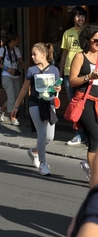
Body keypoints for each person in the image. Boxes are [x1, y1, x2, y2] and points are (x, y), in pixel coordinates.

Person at [11, 43, 61, 176]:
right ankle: (43, 163)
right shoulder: (31, 70)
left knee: (50, 137)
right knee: (42, 133)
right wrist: (16, 106)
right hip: (35, 103)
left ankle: (34, 151)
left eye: (35, 54)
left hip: (49, 104)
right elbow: (24, 89)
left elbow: (57, 87)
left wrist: (58, 89)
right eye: (32, 54)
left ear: (44, 55)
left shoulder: (54, 70)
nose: (32, 56)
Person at [69, 23, 98, 183]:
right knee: (94, 138)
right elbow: (72, 80)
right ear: (87, 40)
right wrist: (89, 77)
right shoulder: (80, 56)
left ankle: (90, 166)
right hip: (85, 101)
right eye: (96, 41)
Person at [60, 6, 87, 146]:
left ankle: (89, 133)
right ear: (73, 18)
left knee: (87, 105)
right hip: (68, 73)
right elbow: (64, 55)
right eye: (77, 16)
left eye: (82, 16)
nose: (80, 18)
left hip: (85, 73)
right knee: (74, 105)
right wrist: (60, 74)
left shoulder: (89, 32)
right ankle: (79, 134)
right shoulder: (67, 33)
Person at [0, 32, 27, 126]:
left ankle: (2, 109)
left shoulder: (16, 50)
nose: (18, 42)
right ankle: (12, 117)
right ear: (13, 41)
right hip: (6, 75)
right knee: (12, 97)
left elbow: (21, 62)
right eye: (17, 40)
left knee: (17, 97)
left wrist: (27, 71)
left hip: (15, 75)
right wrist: (7, 68)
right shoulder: (3, 50)